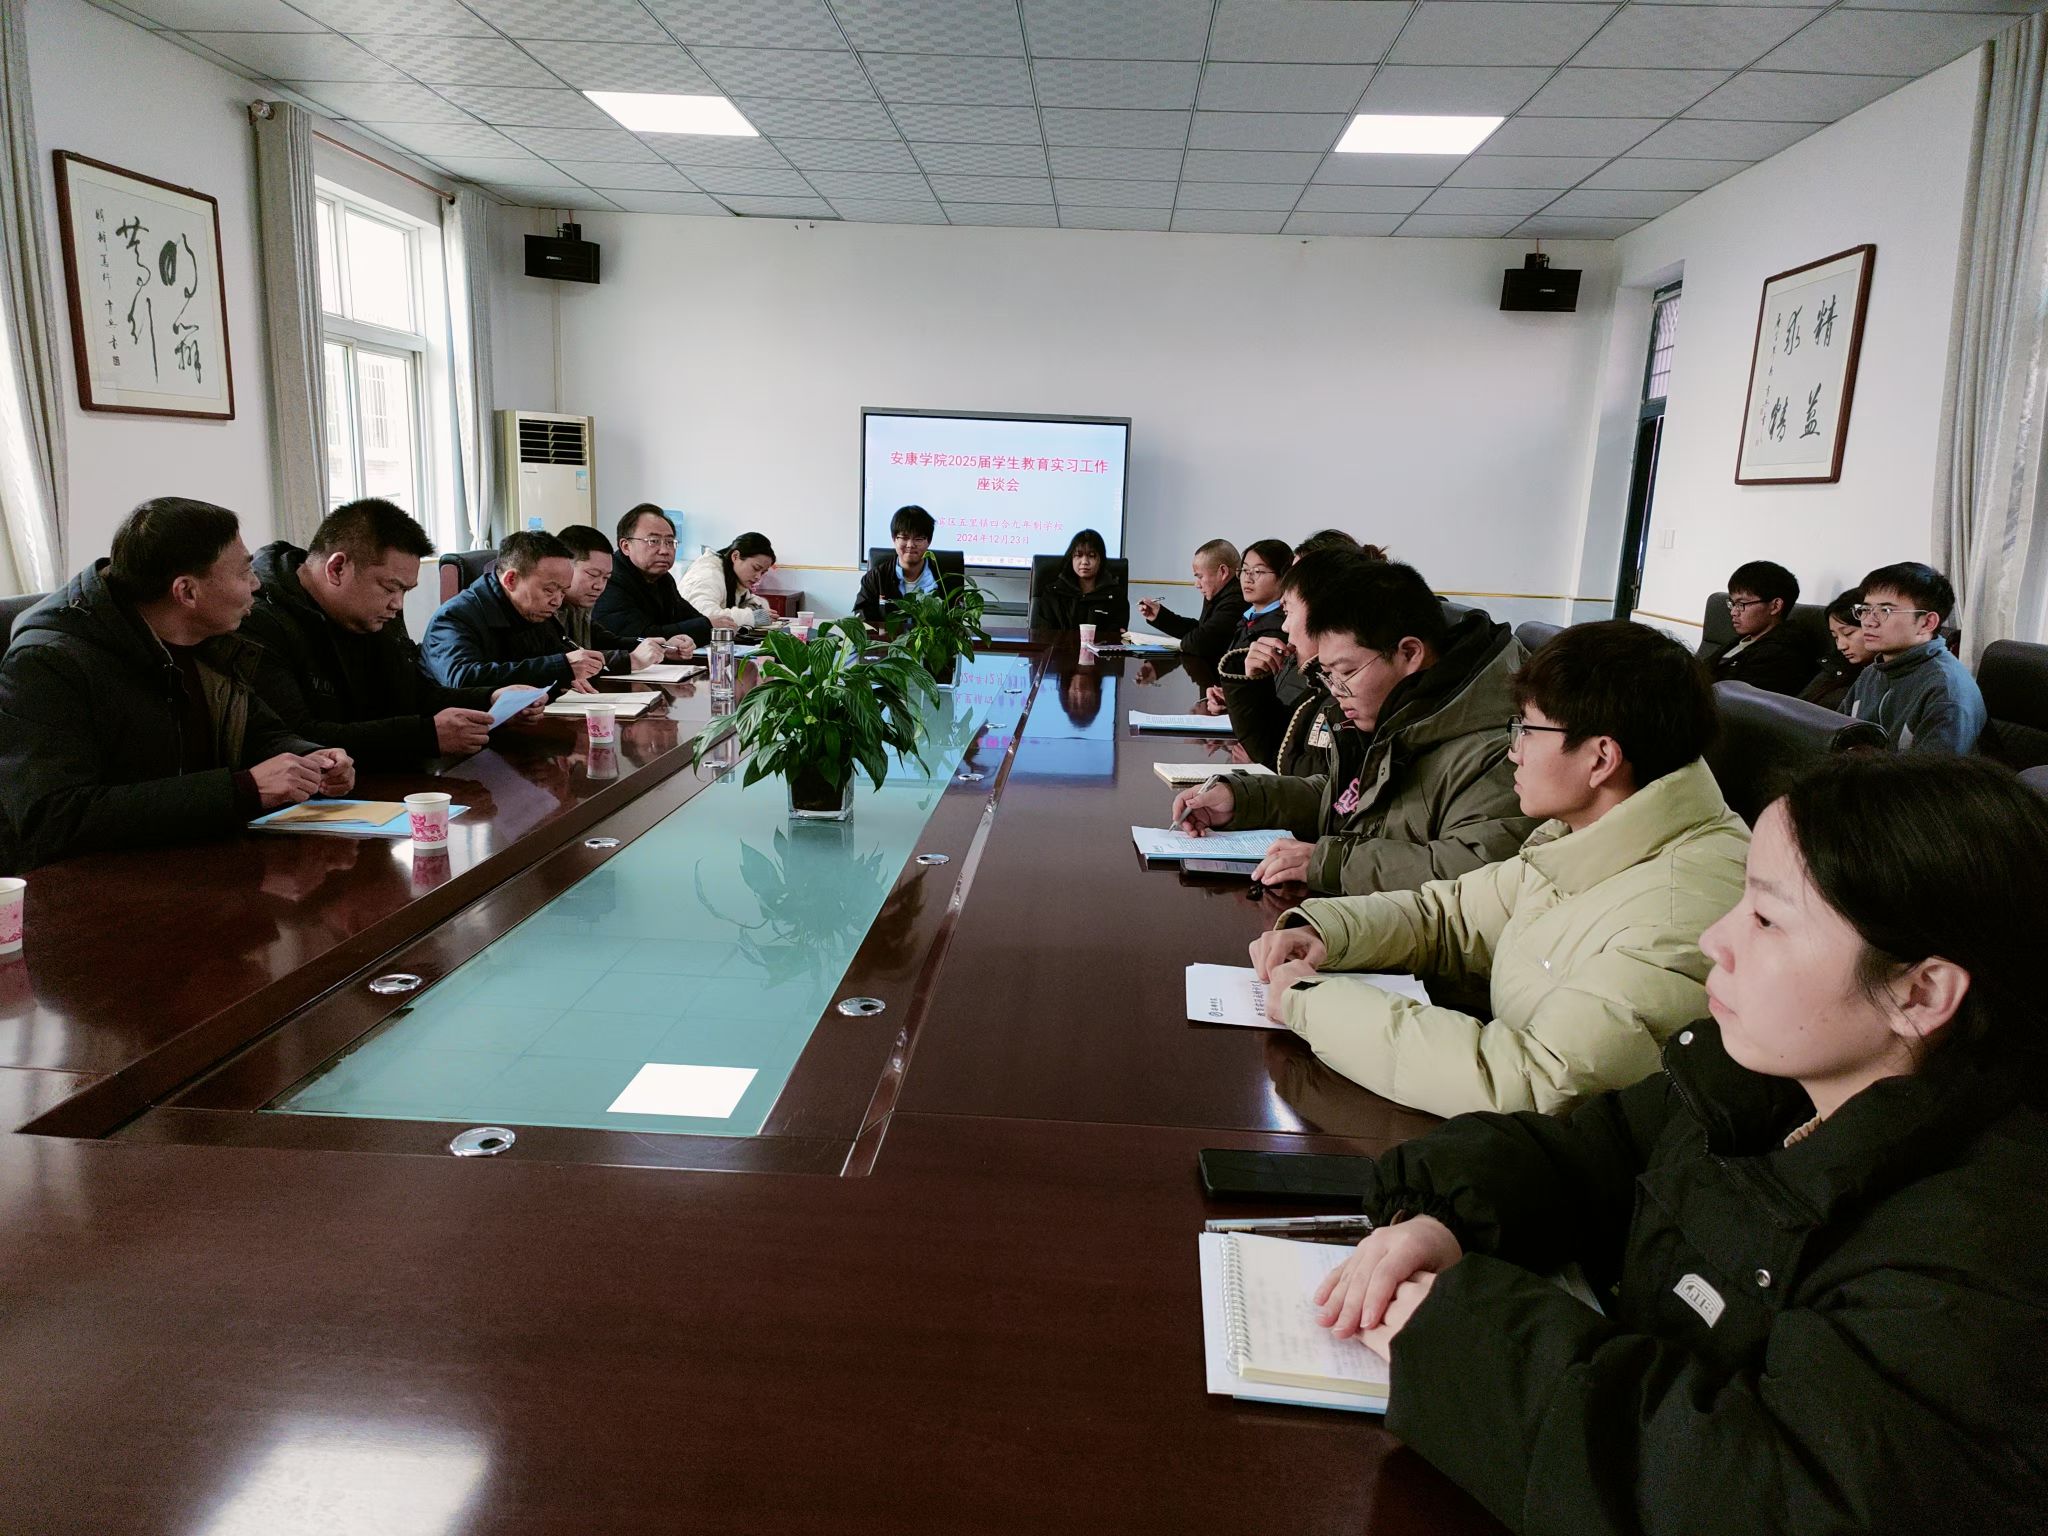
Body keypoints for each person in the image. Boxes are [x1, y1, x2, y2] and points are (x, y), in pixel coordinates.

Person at [1303, 753, 2048, 1536]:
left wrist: (1466, 1344)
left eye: (1766, 920)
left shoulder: (1987, 1257)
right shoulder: (1765, 1082)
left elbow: (1766, 1495)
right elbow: (1591, 1153)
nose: (1715, 938)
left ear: (1920, 992)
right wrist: (1439, 1216)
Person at [1246, 619, 1747, 1117]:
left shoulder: (1676, 916)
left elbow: (1535, 1082)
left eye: (1527, 730)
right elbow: (1453, 916)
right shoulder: (1588, 833)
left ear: (1601, 760)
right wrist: (1329, 932)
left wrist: (1311, 1002)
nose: (1513, 752)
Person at [0, 497, 352, 868]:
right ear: (186, 592)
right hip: (95, 883)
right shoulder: (46, 663)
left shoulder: (208, 639)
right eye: (243, 572)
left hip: (197, 860)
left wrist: (311, 759)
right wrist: (242, 790)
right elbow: (54, 818)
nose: (256, 583)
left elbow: (258, 732)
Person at [1173, 558, 1536, 894]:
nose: (1335, 691)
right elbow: (1345, 799)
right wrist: (1242, 800)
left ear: (1410, 653)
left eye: (1345, 672)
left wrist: (1333, 863)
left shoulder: (1502, 746)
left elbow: (1479, 877)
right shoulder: (1404, 712)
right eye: (1328, 674)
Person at [243, 499, 536, 769]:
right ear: (337, 569)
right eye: (390, 588)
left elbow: (415, 694)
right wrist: (424, 736)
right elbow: (295, 738)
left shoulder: (374, 614)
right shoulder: (259, 620)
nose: (397, 604)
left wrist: (491, 700)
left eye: (405, 591)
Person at [422, 530, 660, 692]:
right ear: (511, 579)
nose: (557, 601)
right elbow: (462, 679)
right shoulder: (454, 617)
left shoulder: (536, 611)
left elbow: (562, 654)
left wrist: (568, 675)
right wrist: (560, 669)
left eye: (563, 591)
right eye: (549, 590)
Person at [1840, 560, 1985, 753]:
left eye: (1885, 610)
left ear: (1927, 623)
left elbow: (1934, 770)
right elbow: (1834, 734)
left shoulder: (1946, 690)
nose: (1868, 621)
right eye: (1865, 609)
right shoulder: (1872, 673)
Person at [1211, 538, 1296, 760]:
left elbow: (1273, 695)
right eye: (1244, 570)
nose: (1247, 578)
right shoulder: (1249, 618)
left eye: (1258, 571)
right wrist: (1227, 696)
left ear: (1283, 578)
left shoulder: (1279, 629)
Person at [594, 505, 709, 651]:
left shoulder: (663, 579)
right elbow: (639, 637)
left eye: (670, 542)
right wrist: (708, 625)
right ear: (626, 546)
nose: (664, 551)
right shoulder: (610, 579)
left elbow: (690, 618)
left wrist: (707, 626)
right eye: (653, 541)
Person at [1695, 559, 1816, 696]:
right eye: (1732, 604)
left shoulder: (1781, 654)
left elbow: (1736, 700)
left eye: (1741, 604)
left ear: (1775, 606)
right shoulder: (1745, 639)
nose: (1733, 612)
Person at [556, 525, 668, 663]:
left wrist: (661, 648)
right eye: (593, 574)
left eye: (606, 578)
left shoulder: (578, 608)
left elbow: (609, 642)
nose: (599, 586)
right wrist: (631, 660)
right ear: (564, 567)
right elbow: (569, 661)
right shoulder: (545, 610)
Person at [1136, 539, 1239, 663]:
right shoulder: (1221, 592)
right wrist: (1159, 616)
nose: (1197, 585)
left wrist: (1187, 643)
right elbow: (1202, 630)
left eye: (1200, 576)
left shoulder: (1236, 600)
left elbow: (1201, 642)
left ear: (1223, 572)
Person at [855, 505, 959, 622]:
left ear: (929, 541)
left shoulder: (946, 580)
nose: (910, 545)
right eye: (904, 538)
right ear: (894, 539)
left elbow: (955, 622)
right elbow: (862, 619)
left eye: (918, 539)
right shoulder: (875, 578)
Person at [1028, 527, 1129, 635]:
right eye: (1078, 555)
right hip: (1059, 646)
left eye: (1091, 556)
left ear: (1101, 560)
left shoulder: (1116, 596)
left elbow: (1116, 636)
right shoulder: (1053, 593)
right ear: (1071, 558)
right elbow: (1043, 634)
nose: (1084, 562)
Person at [680, 532, 776, 631]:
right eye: (756, 568)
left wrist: (757, 608)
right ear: (735, 556)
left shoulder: (733, 576)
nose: (758, 577)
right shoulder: (708, 574)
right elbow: (704, 616)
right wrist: (750, 617)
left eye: (763, 572)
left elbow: (747, 599)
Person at [1798, 588, 1873, 711]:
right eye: (1835, 637)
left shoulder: (1876, 681)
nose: (1841, 646)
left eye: (1848, 633)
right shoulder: (1835, 665)